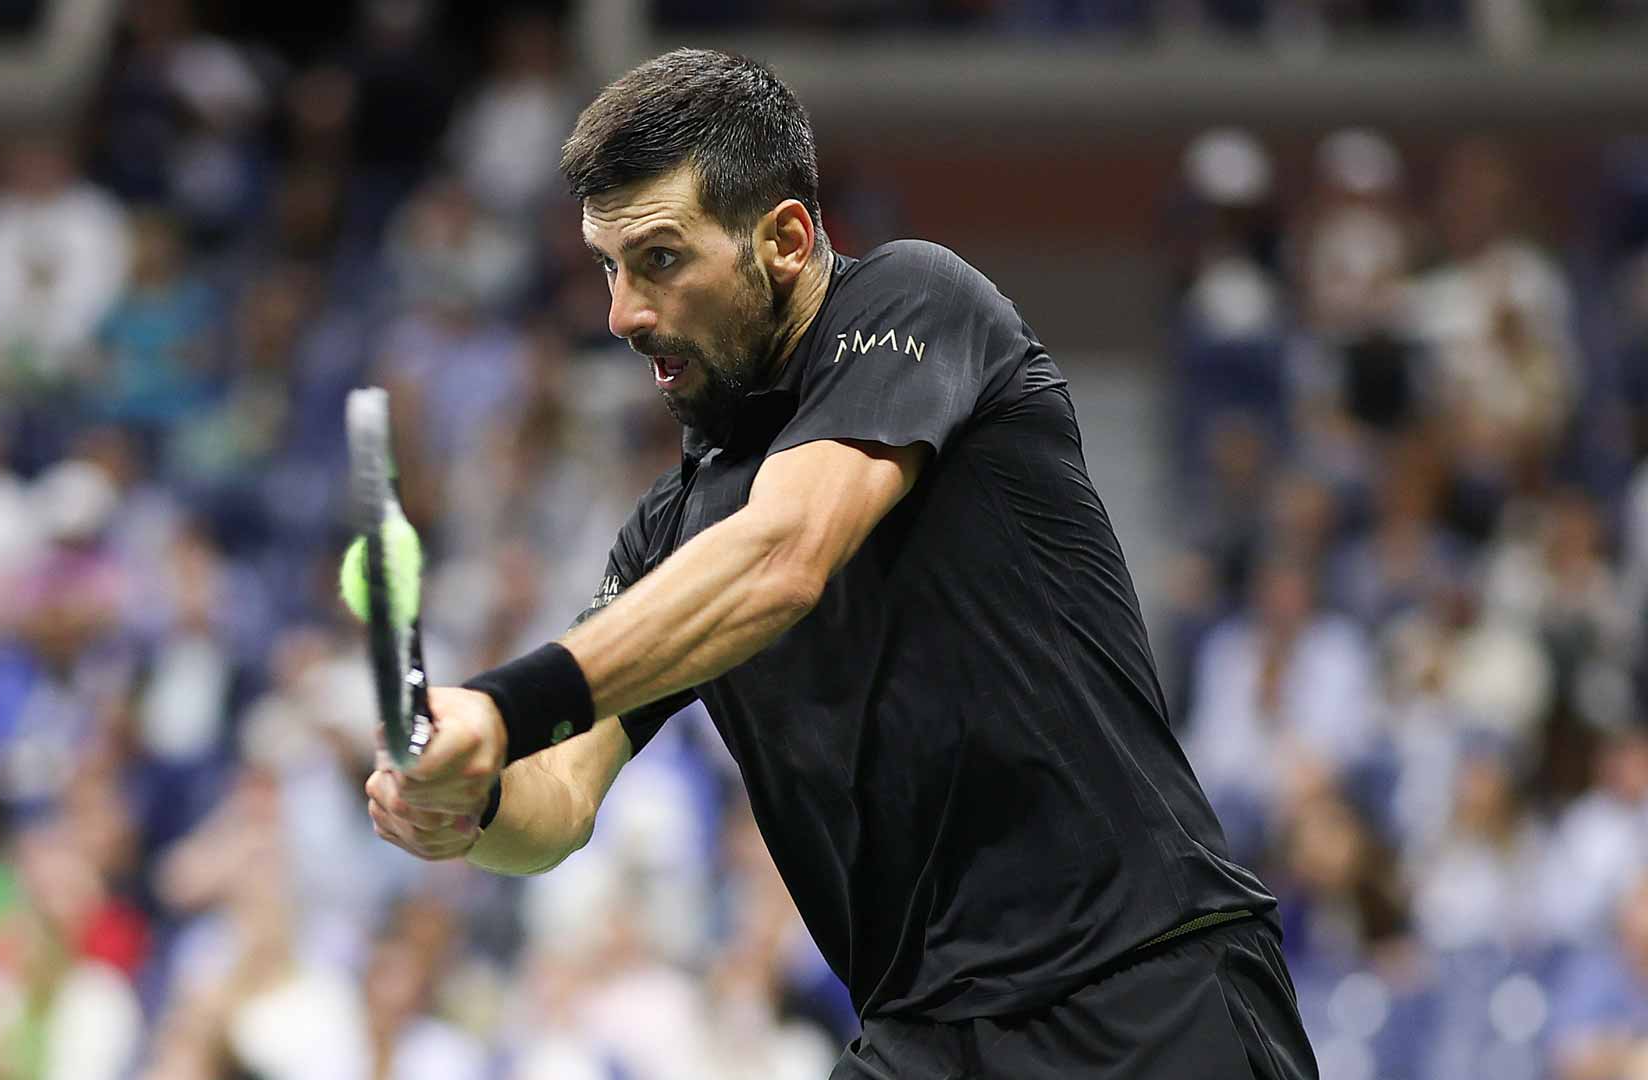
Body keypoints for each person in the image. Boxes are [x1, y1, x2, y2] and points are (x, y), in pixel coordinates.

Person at [366, 48, 1318, 1078]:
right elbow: (558, 799)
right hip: (921, 1033)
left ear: (785, 240)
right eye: (608, 267)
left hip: (1142, 985)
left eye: (660, 259)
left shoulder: (917, 302)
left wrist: (504, 706)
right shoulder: (667, 532)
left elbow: (783, 555)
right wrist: (471, 799)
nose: (622, 315)